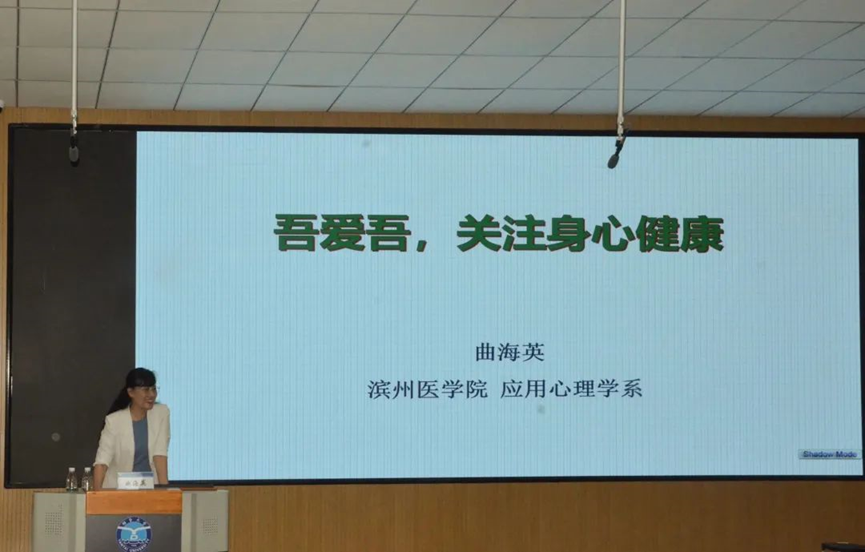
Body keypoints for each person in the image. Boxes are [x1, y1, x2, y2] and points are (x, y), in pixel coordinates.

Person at [93, 368, 170, 490]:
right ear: (131, 392)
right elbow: (102, 463)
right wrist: (96, 496)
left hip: (150, 489)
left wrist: (165, 492)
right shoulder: (114, 421)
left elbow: (160, 455)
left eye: (154, 389)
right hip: (118, 490)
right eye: (146, 389)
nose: (151, 394)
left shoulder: (161, 413)